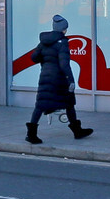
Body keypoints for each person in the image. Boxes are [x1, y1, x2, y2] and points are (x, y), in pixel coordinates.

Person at [26, 14, 93, 145]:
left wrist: (46, 61)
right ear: (64, 29)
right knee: (69, 103)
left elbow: (34, 57)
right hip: (59, 79)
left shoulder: (44, 41)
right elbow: (64, 64)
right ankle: (77, 131)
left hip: (45, 76)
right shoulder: (62, 42)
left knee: (40, 104)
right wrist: (71, 80)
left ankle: (31, 134)